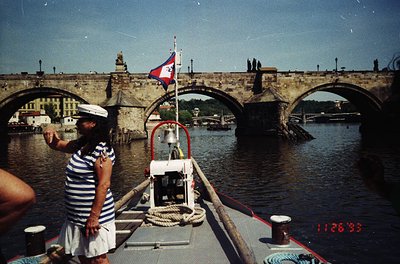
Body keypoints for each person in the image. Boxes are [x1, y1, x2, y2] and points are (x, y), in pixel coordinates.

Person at [43, 104, 116, 264]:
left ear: (93, 123)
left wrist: (93, 217)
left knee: (98, 259)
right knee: (82, 254)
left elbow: (104, 185)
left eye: (81, 121)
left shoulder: (101, 152)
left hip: (93, 216)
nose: (77, 124)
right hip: (76, 216)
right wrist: (49, 128)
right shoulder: (83, 145)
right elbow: (56, 144)